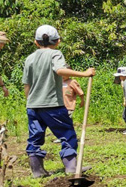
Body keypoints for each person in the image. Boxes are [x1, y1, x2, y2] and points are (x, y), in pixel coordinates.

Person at [23, 25, 95, 178]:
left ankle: (37, 171)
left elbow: (27, 85)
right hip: (52, 105)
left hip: (33, 106)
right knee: (67, 133)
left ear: (36, 42)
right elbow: (60, 70)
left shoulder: (29, 58)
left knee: (35, 137)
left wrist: (30, 102)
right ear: (57, 41)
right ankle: (71, 166)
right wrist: (84, 73)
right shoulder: (55, 54)